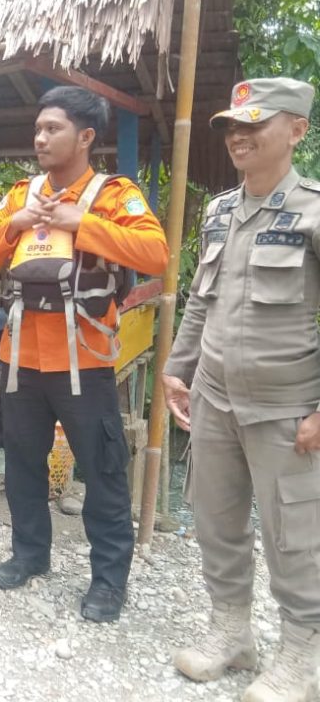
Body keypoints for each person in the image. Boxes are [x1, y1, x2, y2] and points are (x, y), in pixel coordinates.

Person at [0, 86, 168, 622]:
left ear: (85, 136)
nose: (40, 137)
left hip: (85, 360)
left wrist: (81, 223)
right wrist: (16, 224)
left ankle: (108, 581)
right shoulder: (20, 195)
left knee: (102, 472)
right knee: (22, 465)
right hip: (21, 359)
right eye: (38, 128)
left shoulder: (111, 194)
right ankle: (30, 555)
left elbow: (156, 253)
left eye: (52, 128)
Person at [163, 77, 320, 700]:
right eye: (232, 125)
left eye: (256, 123)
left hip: (287, 408)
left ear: (297, 130)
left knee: (295, 534)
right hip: (214, 399)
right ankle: (232, 631)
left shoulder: (313, 211)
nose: (239, 135)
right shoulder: (221, 210)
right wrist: (178, 367)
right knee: (217, 518)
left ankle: (305, 653)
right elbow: (202, 302)